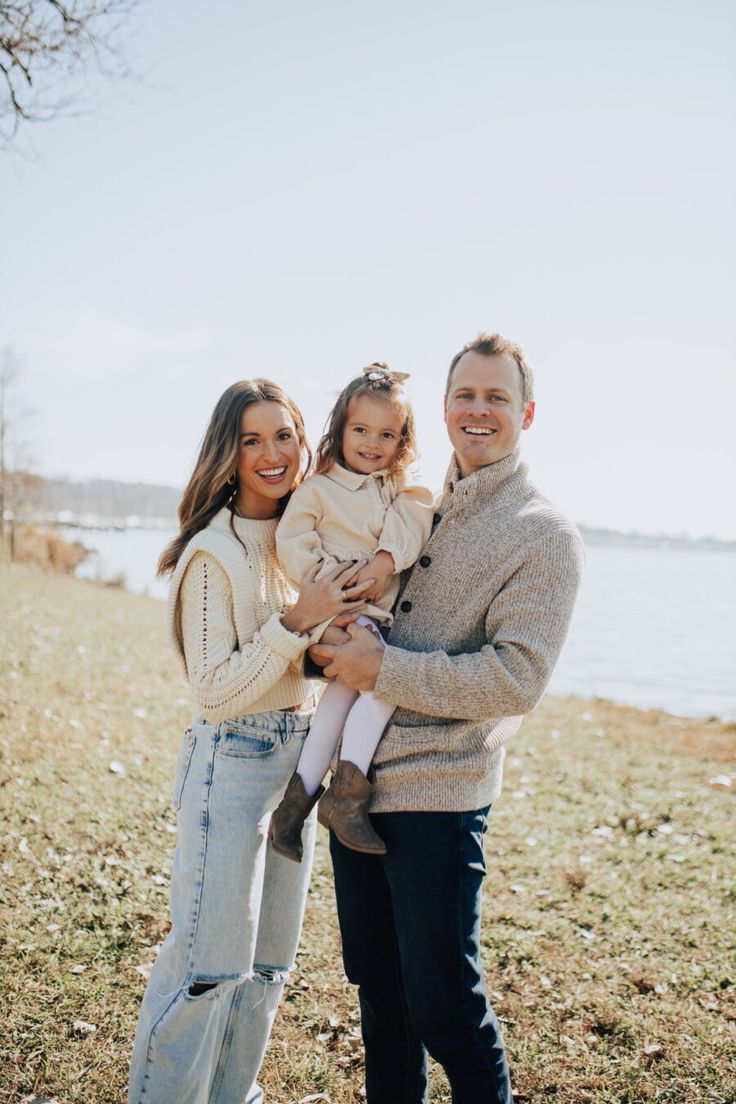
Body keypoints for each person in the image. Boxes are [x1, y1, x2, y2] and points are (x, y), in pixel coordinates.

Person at [310, 334, 585, 1104]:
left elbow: (517, 678)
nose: (477, 409)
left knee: (446, 1007)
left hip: (440, 796)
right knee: (380, 999)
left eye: (496, 396)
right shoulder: (414, 508)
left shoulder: (544, 534)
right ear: (443, 407)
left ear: (526, 413)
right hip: (353, 793)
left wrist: (383, 670)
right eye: (464, 394)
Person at [127, 379, 374, 1104]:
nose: (272, 454)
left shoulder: (306, 543)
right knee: (207, 970)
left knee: (266, 971)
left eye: (285, 435)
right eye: (252, 439)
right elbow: (213, 691)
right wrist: (298, 623)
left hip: (296, 762)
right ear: (228, 456)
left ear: (308, 443)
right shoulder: (215, 553)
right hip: (229, 764)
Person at [270, 364, 433, 861]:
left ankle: (293, 808)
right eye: (360, 430)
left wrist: (384, 561)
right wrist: (331, 585)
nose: (371, 442)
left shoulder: (397, 489)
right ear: (340, 429)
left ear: (402, 440)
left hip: (368, 619)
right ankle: (346, 800)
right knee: (384, 689)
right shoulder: (317, 490)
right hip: (335, 612)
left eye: (387, 434)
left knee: (334, 710)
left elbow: (416, 518)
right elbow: (291, 543)